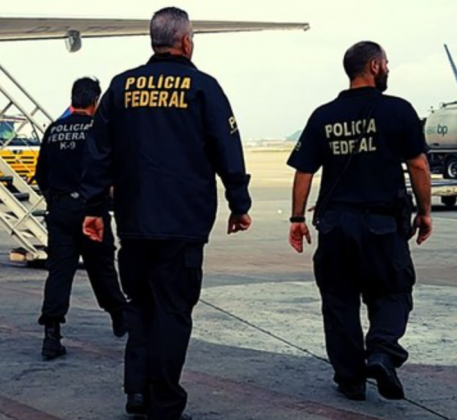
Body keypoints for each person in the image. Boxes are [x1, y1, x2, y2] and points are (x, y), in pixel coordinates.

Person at [80, 7, 252, 420]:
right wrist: (238, 201)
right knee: (174, 311)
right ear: (187, 41)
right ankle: (165, 403)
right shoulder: (203, 87)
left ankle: (137, 391)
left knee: (140, 306)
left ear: (153, 40)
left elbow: (98, 152)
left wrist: (94, 208)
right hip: (182, 224)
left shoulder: (121, 88)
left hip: (135, 222)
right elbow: (226, 147)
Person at [287, 41, 432, 401]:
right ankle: (382, 351)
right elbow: (418, 165)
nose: (387, 68)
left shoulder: (323, 115)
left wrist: (296, 218)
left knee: (339, 301)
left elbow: (304, 171)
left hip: (335, 226)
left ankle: (350, 378)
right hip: (382, 226)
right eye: (385, 63)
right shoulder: (398, 111)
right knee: (393, 292)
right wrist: (425, 212)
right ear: (374, 65)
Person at [35, 77, 127, 360]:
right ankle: (119, 316)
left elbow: (41, 174)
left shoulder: (53, 130)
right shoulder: (98, 129)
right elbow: (110, 169)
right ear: (95, 101)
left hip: (61, 211)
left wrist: (55, 199)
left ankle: (51, 334)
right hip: (91, 209)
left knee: (59, 272)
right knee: (102, 267)